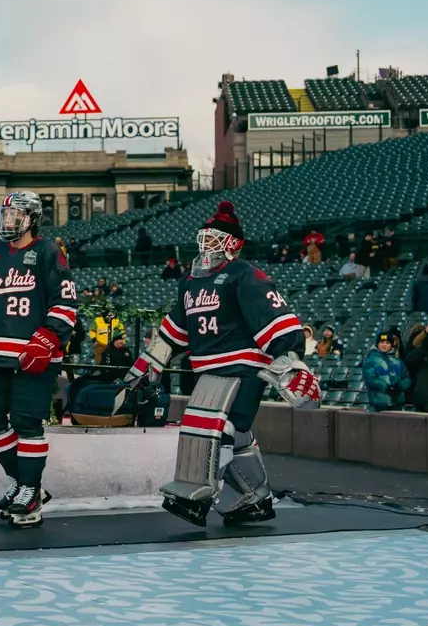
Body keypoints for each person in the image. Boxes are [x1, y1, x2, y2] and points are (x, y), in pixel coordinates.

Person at [117, 200, 319, 528]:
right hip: (208, 371)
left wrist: (290, 360)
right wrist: (148, 363)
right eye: (204, 237)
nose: (206, 245)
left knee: (220, 430)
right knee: (228, 433)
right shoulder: (190, 281)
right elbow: (174, 330)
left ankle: (198, 495)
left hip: (244, 367)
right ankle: (253, 497)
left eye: (214, 238)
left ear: (232, 243)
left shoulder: (245, 274)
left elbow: (279, 320)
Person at [0, 191, 77, 527]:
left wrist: (49, 338)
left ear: (32, 220)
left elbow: (66, 301)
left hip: (32, 358)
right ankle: (26, 483)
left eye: (16, 217)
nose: (9, 222)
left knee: (27, 423)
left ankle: (29, 489)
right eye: (6, 216)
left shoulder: (48, 252)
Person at [361, 332, 407, 411]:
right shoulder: (370, 360)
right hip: (379, 404)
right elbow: (370, 380)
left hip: (398, 404)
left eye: (387, 343)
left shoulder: (398, 361)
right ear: (377, 344)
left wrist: (400, 386)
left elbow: (406, 378)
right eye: (381, 342)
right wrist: (387, 387)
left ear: (391, 345)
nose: (384, 345)